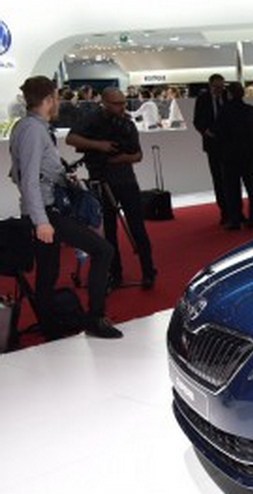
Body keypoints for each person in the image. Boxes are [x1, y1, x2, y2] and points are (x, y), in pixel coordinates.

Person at [9, 76, 121, 339]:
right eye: (56, 97)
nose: (58, 102)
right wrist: (41, 220)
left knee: (48, 271)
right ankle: (95, 318)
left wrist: (59, 176)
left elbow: (20, 174)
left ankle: (50, 326)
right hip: (46, 212)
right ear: (49, 99)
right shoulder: (34, 130)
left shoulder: (27, 126)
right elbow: (28, 178)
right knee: (103, 250)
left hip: (43, 209)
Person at [66, 87, 157, 291]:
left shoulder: (127, 124)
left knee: (137, 228)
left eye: (123, 103)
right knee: (110, 231)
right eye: (116, 103)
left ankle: (148, 271)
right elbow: (71, 138)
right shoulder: (92, 119)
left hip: (126, 181)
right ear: (105, 103)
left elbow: (138, 155)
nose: (121, 107)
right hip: (101, 180)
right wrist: (99, 146)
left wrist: (123, 158)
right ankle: (115, 273)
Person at [218, 82, 253, 230]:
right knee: (251, 189)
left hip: (230, 156)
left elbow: (220, 133)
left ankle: (235, 219)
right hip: (247, 155)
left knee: (232, 190)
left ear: (229, 94)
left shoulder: (224, 110)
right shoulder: (250, 110)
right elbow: (252, 135)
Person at [193, 74, 228, 224]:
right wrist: (206, 132)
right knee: (218, 179)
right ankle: (224, 211)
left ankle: (235, 210)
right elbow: (197, 121)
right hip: (212, 144)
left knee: (231, 179)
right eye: (216, 87)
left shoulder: (227, 96)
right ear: (210, 86)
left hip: (229, 144)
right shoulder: (203, 99)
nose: (220, 89)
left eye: (222, 86)